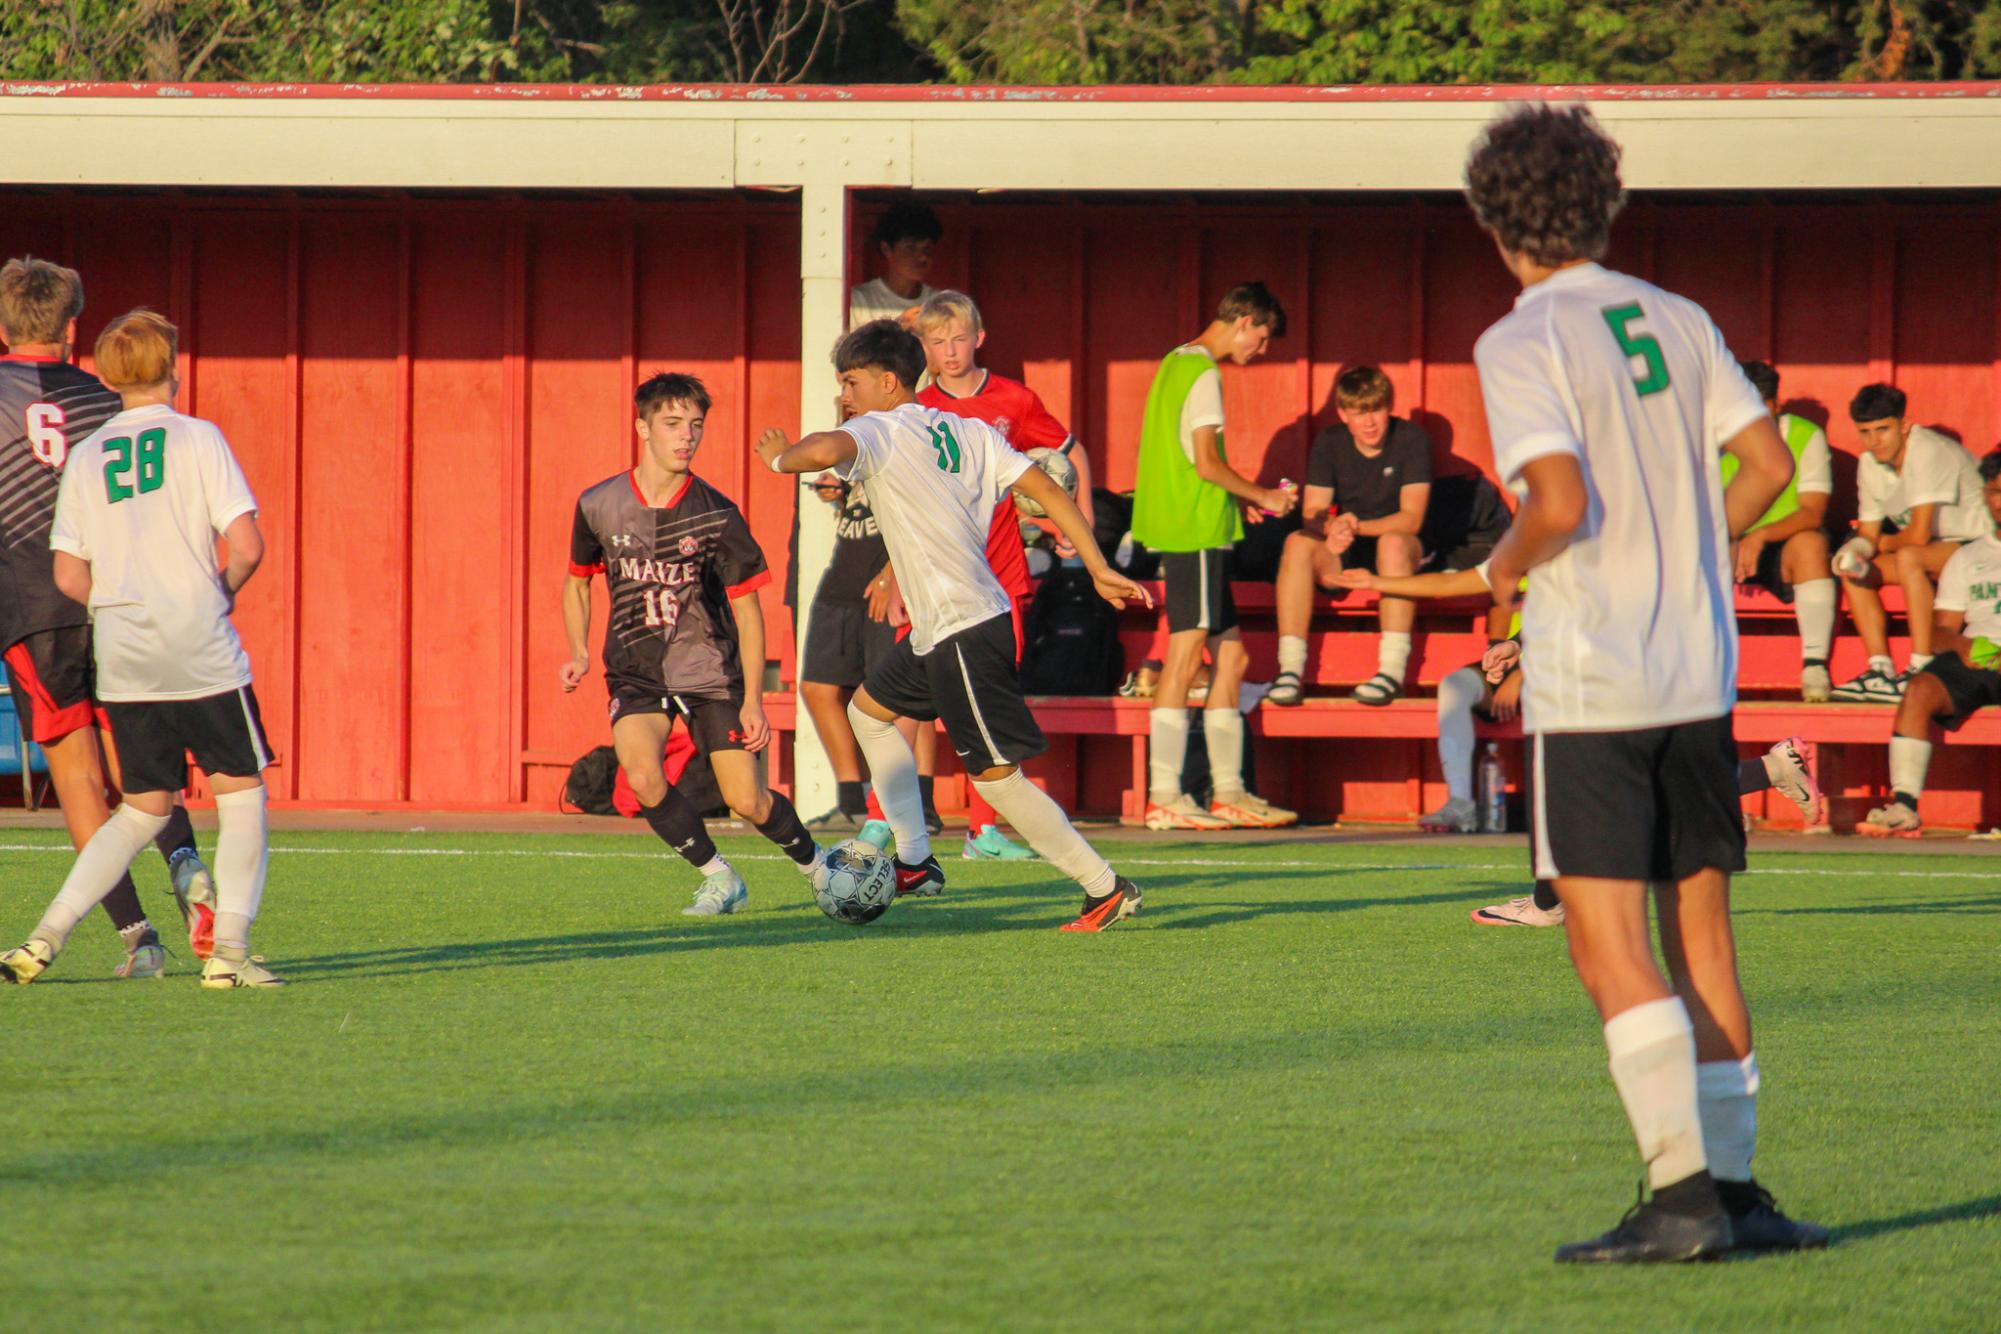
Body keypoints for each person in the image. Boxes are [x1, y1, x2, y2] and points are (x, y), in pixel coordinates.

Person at [1466, 103, 1824, 1261]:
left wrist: (1502, 565)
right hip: (1696, 665)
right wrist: (1693, 550)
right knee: (1704, 933)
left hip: (1597, 673)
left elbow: (1556, 504)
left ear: (1493, 219)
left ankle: (1678, 1198)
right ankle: (1733, 1188)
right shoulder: (1678, 316)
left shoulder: (1520, 340)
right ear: (1606, 204)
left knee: (1603, 936)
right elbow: (1767, 466)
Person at [756, 320, 1151, 931]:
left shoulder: (879, 429)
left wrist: (780, 457)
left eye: (850, 381)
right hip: (949, 627)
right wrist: (1096, 564)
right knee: (868, 713)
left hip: (963, 628)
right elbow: (1047, 484)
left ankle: (1105, 887)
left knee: (995, 781)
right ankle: (916, 862)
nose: (845, 395)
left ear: (888, 382)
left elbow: (825, 450)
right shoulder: (969, 431)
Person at [1, 309, 278, 988]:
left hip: (121, 649)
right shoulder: (197, 438)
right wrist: (220, 591)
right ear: (171, 369)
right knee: (241, 796)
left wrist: (117, 608)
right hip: (196, 639)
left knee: (140, 807)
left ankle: (44, 938)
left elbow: (69, 574)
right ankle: (229, 957)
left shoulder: (90, 454)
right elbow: (247, 547)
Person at [1335, 564, 1823, 925]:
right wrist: (1515, 645)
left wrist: (1523, 661)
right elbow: (1476, 585)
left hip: (1622, 673)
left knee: (1586, 790)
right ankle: (1768, 769)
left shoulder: (1585, 524)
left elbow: (1582, 608)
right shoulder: (1556, 528)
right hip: (1616, 672)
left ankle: (1549, 905)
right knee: (1619, 790)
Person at [562, 372, 829, 916]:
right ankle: (718, 875)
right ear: (642, 427)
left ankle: (818, 867)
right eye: (673, 424)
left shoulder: (717, 513)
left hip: (710, 674)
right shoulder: (598, 505)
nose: (687, 437)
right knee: (641, 776)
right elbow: (577, 581)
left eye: (696, 426)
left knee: (747, 801)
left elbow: (749, 612)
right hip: (636, 671)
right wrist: (580, 651)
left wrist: (754, 699)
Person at [914, 288, 1093, 860]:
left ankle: (982, 830)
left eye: (958, 339)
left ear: (979, 338)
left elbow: (1068, 452)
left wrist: (1075, 520)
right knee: (908, 703)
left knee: (992, 699)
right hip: (936, 574)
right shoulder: (915, 407)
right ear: (923, 346)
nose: (949, 351)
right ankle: (890, 820)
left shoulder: (1014, 400)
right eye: (936, 342)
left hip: (1001, 573)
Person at [1131, 282, 1299, 830]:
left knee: (1232, 658)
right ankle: (1164, 797)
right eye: (1264, 337)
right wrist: (1264, 496)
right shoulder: (1204, 372)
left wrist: (1235, 501)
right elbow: (1205, 463)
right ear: (1244, 320)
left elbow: (1187, 459)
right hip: (1194, 533)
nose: (1262, 349)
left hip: (1195, 526)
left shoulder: (1175, 362)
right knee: (1185, 656)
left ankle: (1229, 791)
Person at [1272, 367, 1504, 707]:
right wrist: (1329, 529)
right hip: (1347, 549)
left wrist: (1354, 526)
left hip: (1403, 552)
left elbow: (1410, 519)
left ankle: (1391, 672)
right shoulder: (1330, 442)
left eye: (1376, 410)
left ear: (1389, 407)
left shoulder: (1411, 439)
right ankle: (1290, 670)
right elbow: (1313, 510)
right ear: (1343, 414)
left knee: (1393, 542)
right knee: (1297, 543)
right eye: (1359, 413)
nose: (1369, 423)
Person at [1858, 449, 2001, 836]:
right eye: (1994, 491)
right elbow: (1939, 631)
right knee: (1921, 687)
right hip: (1982, 660)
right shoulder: (1969, 557)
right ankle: (1904, 805)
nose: (1999, 501)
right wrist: (1964, 647)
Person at [1830, 383, 1993, 702]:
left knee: (1909, 557)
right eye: (1865, 432)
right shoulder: (1869, 463)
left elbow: (1916, 535)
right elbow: (1869, 534)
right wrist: (1854, 553)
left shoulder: (1928, 450)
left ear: (1905, 426)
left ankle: (1921, 665)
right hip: (1934, 551)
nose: (1874, 441)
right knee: (1855, 570)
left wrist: (1880, 543)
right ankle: (1880, 670)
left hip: (1979, 548)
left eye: (1883, 429)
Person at [1731, 362, 1838, 702]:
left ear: (1775, 405)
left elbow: (1812, 512)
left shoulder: (1805, 436)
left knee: (1811, 544)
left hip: (1780, 548)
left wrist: (1759, 536)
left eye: (1761, 408)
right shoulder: (1711, 437)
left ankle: (1814, 666)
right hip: (1727, 545)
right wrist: (1730, 538)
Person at [797, 469, 895, 831]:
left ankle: (914, 805)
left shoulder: (898, 435)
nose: (852, 407)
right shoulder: (846, 439)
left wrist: (891, 574)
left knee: (895, 698)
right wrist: (835, 490)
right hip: (842, 581)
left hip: (885, 582)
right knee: (818, 687)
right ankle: (853, 800)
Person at [849, 202, 940, 329]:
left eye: (927, 248)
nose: (922, 256)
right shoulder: (860, 300)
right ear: (886, 249)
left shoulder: (939, 302)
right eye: (911, 247)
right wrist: (899, 326)